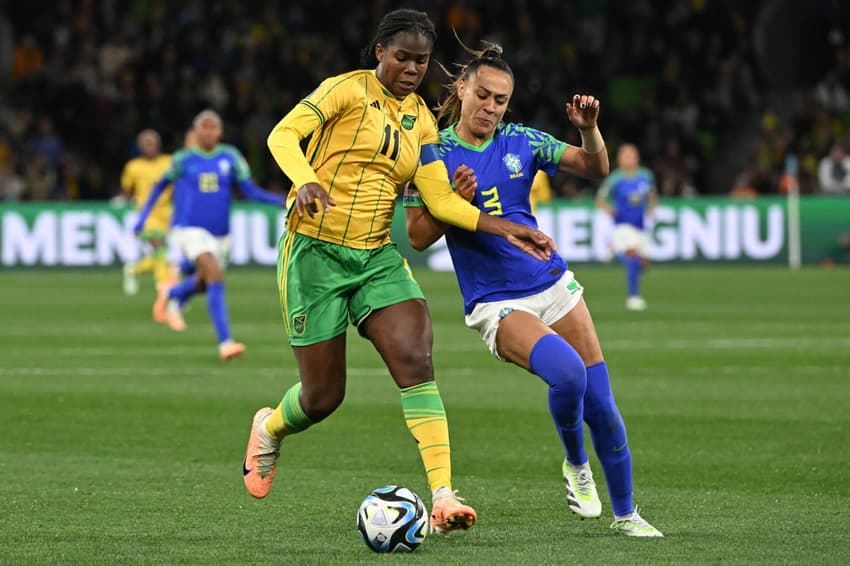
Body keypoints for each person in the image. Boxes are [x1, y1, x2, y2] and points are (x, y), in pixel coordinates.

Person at [241, 8, 555, 535]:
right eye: (403, 57)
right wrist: (305, 181)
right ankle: (270, 428)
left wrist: (506, 228)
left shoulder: (424, 123)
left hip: (375, 257)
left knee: (415, 358)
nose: (412, 68)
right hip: (314, 254)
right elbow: (281, 137)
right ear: (380, 51)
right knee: (323, 397)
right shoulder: (343, 90)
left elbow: (438, 199)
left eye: (422, 61)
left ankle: (444, 495)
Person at [404, 43, 663, 537]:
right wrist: (451, 202)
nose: (491, 107)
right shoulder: (432, 151)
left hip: (551, 282)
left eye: (501, 100)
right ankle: (576, 464)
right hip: (496, 302)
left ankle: (627, 515)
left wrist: (588, 130)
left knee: (603, 405)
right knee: (567, 376)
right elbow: (417, 236)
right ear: (462, 89)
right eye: (483, 95)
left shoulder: (522, 140)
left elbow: (594, 169)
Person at [134, 110, 284, 361]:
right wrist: (141, 219)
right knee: (215, 274)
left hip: (221, 236)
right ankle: (226, 342)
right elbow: (159, 187)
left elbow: (250, 191)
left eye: (213, 127)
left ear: (220, 131)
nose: (209, 131)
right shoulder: (183, 159)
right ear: (195, 131)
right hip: (188, 230)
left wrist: (282, 200)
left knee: (205, 282)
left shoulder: (231, 157)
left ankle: (171, 294)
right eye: (204, 127)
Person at [595, 143, 657, 311]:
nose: (628, 158)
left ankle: (614, 249)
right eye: (625, 155)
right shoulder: (615, 178)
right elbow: (600, 199)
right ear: (620, 159)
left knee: (643, 264)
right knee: (633, 258)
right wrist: (610, 211)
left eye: (631, 155)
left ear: (637, 157)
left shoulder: (646, 176)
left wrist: (651, 209)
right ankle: (633, 297)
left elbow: (652, 195)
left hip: (640, 226)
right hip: (622, 226)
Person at [120, 129, 174, 313]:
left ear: (158, 144)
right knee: (160, 251)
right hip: (147, 217)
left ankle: (134, 269)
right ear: (139, 146)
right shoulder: (133, 167)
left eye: (152, 142)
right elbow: (127, 192)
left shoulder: (169, 162)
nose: (149, 146)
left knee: (162, 256)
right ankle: (165, 297)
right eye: (145, 143)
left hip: (167, 216)